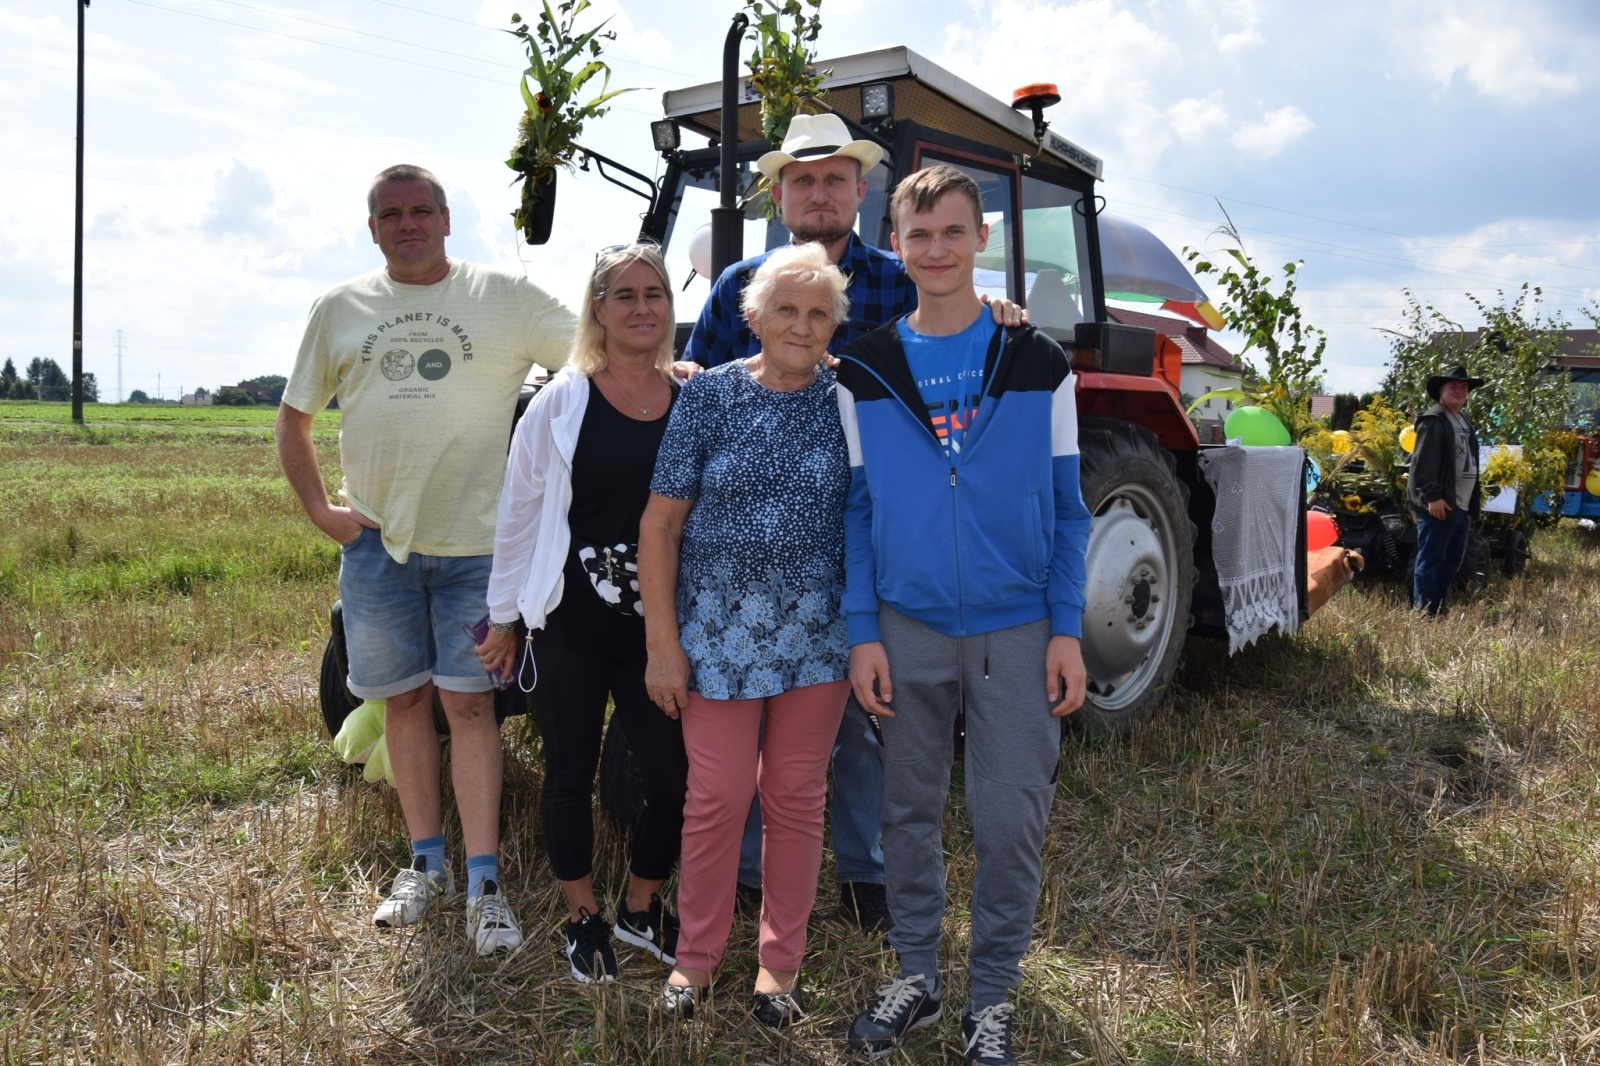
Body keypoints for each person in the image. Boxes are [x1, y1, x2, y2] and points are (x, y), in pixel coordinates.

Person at [683, 112, 1024, 930]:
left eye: (836, 177)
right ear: (778, 193)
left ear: (861, 192)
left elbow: (953, 329)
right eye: (803, 178)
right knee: (762, 705)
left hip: (873, 525)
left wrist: (999, 310)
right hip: (760, 545)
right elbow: (697, 375)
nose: (820, 190)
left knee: (867, 717)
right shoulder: (739, 286)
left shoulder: (900, 276)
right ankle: (757, 872)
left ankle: (866, 869)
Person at [277, 164, 574, 957]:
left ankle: (485, 884)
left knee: (471, 708)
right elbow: (294, 415)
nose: (407, 224)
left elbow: (593, 345)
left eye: (421, 211)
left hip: (480, 551)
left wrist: (669, 365)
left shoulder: (502, 297)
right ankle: (426, 866)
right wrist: (322, 513)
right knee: (405, 705)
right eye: (391, 214)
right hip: (377, 551)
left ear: (447, 220)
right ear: (372, 228)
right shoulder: (340, 309)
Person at [836, 165, 1091, 1066]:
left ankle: (992, 1000)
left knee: (1009, 817)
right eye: (918, 235)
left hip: (1019, 627)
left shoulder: (1037, 361)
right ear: (894, 245)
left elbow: (1068, 510)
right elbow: (859, 513)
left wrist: (1067, 625)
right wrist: (863, 631)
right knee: (904, 811)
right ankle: (917, 976)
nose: (936, 250)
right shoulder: (864, 368)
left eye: (952, 232)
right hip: (905, 627)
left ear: (983, 239)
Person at [638, 243, 854, 1027]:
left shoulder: (850, 402)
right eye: (787, 310)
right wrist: (664, 645)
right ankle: (694, 963)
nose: (802, 325)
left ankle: (779, 969)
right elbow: (659, 527)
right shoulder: (710, 398)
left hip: (817, 637)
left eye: (819, 313)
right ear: (753, 317)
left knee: (796, 798)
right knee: (718, 798)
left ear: (835, 325)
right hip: (716, 636)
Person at [477, 244, 690, 983]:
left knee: (671, 780)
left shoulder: (690, 399)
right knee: (571, 771)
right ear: (597, 308)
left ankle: (639, 906)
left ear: (669, 306)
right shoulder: (560, 402)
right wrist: (505, 617)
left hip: (656, 632)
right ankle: (581, 916)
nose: (640, 307)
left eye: (653, 293)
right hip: (569, 623)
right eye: (622, 294)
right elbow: (520, 512)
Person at [1407, 364, 1484, 616]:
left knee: (1451, 562)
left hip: (1460, 504)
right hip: (1441, 504)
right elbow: (1423, 463)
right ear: (1441, 390)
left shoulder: (1462, 420)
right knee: (1431, 560)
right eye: (1453, 386)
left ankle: (1437, 607)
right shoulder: (1434, 419)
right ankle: (1424, 613)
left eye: (1463, 387)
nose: (1459, 391)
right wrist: (1434, 496)